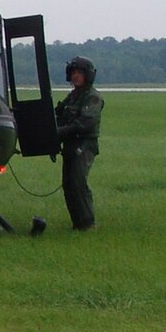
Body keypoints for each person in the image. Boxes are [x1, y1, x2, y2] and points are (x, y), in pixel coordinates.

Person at [54, 55, 104, 231]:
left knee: (78, 182)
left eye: (79, 72)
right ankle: (78, 223)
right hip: (70, 145)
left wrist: (59, 132)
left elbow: (85, 123)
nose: (75, 76)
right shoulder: (72, 96)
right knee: (68, 184)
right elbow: (57, 115)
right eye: (73, 72)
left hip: (84, 144)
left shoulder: (93, 97)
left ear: (87, 75)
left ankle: (87, 223)